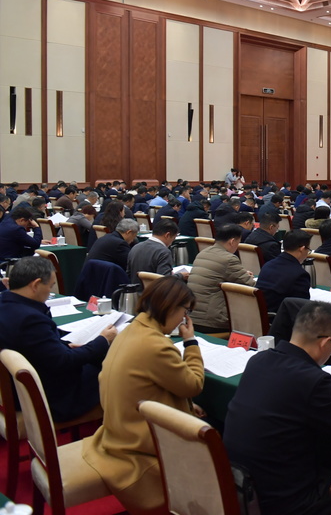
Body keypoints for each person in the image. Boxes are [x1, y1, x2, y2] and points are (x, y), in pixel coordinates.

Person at [224, 303, 331, 515]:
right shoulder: (312, 380)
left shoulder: (258, 360)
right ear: (325, 343)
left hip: (239, 486)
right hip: (285, 502)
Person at [82, 277, 204, 515]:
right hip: (137, 444)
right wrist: (190, 342)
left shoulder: (131, 329)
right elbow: (194, 385)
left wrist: (185, 404)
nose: (184, 319)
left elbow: (150, 387)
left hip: (116, 427)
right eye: (185, 312)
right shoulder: (156, 345)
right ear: (171, 307)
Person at [0, 257, 116, 422]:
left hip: (18, 388)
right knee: (115, 370)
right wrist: (102, 340)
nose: (50, 292)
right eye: (50, 286)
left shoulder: (5, 303)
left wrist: (65, 345)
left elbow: (39, 347)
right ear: (35, 285)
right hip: (49, 397)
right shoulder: (30, 319)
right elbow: (64, 361)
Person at [187, 224, 257, 333]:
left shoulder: (203, 253)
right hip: (212, 321)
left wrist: (241, 273)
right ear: (232, 241)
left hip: (191, 316)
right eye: (238, 243)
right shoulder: (229, 259)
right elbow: (251, 285)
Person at [256, 229, 312, 313]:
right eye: (308, 250)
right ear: (302, 249)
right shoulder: (300, 275)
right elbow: (302, 309)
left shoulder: (268, 265)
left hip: (261, 314)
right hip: (281, 318)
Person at [127, 219, 184, 285]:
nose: (172, 242)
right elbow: (165, 281)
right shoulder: (164, 252)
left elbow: (128, 273)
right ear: (167, 235)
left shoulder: (135, 247)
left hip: (135, 290)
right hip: (154, 290)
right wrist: (181, 275)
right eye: (173, 238)